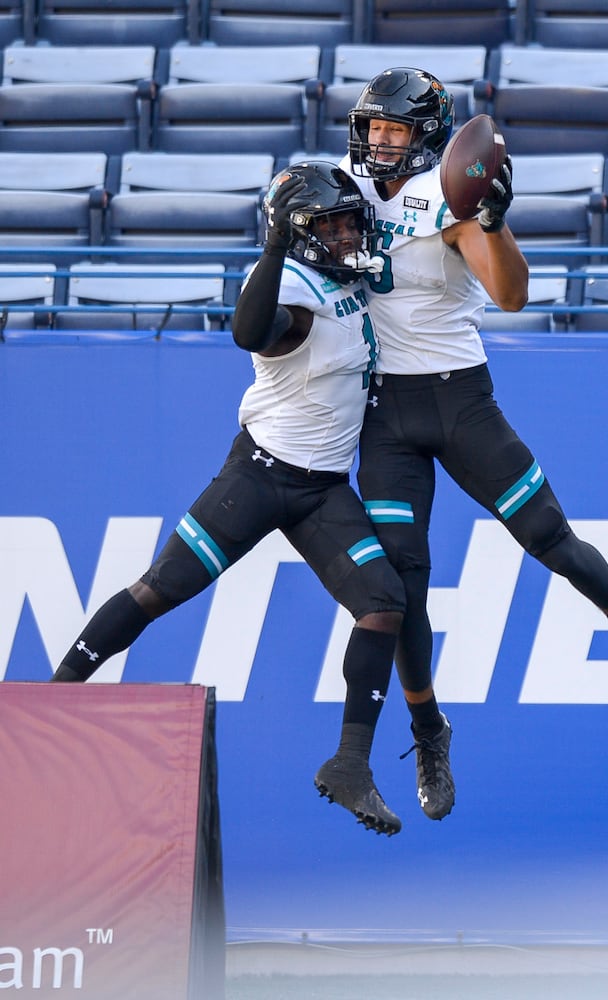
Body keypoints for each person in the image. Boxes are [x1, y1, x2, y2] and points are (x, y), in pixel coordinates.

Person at [341, 68, 608, 824]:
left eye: (393, 129)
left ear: (427, 137)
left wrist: (494, 221)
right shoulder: (342, 183)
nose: (377, 141)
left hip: (457, 395)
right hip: (382, 413)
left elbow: (510, 296)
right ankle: (428, 729)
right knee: (400, 589)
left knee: (548, 536)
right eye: (371, 127)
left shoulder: (445, 193)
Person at [49, 161, 408, 837]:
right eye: (329, 226)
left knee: (384, 605)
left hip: (323, 487)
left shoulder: (346, 275)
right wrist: (273, 251)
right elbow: (250, 331)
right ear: (294, 236)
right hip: (262, 476)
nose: (344, 235)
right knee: (159, 590)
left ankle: (351, 765)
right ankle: (51, 703)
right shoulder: (292, 282)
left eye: (347, 222)